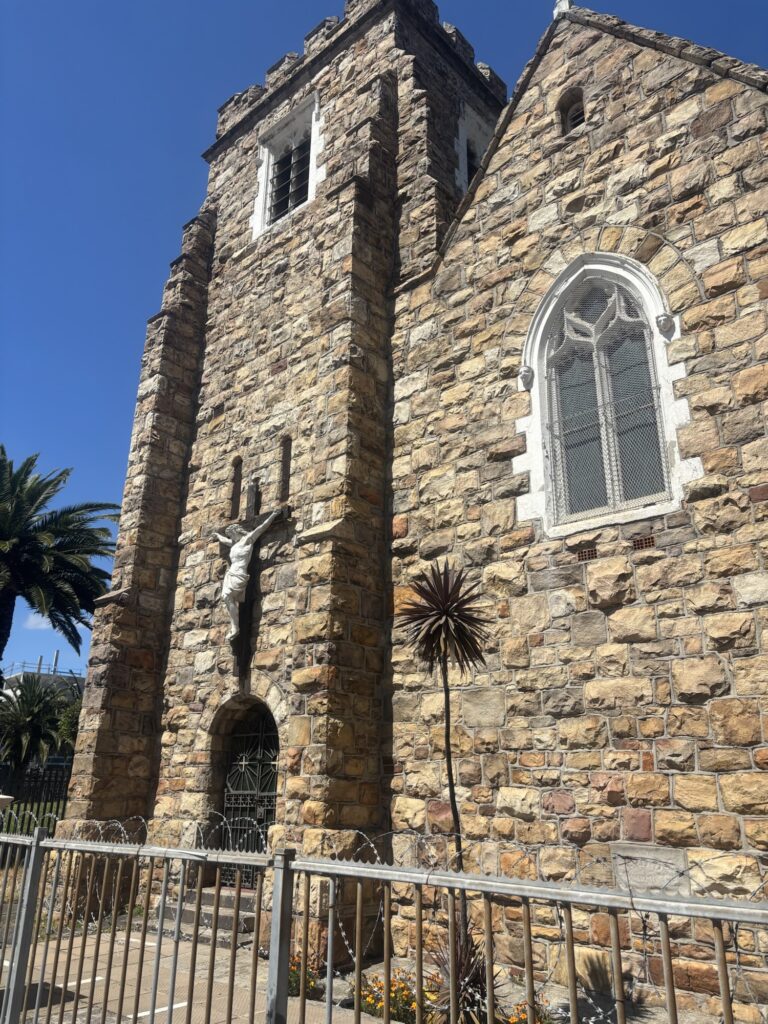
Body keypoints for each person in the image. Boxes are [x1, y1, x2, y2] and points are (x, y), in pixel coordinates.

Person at [215, 509, 283, 639]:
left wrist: (273, 515)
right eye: (229, 536)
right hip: (231, 573)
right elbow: (224, 541)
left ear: (236, 532)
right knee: (226, 597)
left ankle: (235, 627)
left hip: (240, 573)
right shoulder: (233, 544)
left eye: (231, 535)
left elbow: (261, 528)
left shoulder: (247, 540)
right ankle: (235, 627)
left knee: (228, 596)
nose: (230, 538)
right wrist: (217, 536)